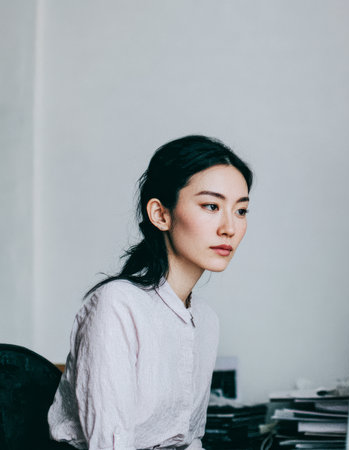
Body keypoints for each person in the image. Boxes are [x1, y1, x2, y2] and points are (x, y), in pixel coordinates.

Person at [48, 135, 253, 450]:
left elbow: (190, 439)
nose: (229, 227)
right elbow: (110, 444)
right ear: (161, 214)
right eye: (211, 206)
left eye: (240, 211)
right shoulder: (117, 305)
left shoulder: (205, 320)